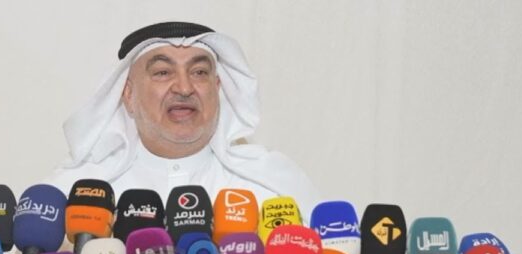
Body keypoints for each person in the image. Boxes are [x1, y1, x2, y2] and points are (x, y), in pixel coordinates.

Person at [46, 21, 320, 219]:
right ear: (128, 94)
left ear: (217, 88)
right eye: (163, 72)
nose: (185, 88)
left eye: (199, 72)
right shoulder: (76, 195)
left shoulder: (273, 188)